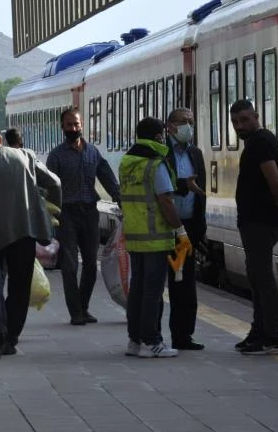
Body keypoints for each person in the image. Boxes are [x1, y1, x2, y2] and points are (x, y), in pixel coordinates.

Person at [0, 123, 61, 355]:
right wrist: (53, 210)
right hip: (24, 233)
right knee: (19, 288)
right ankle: (10, 338)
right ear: (1, 138)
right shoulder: (25, 155)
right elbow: (55, 182)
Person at [229, 98, 278, 355]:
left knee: (263, 279)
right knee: (256, 277)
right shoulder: (261, 141)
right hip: (255, 220)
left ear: (256, 116)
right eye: (235, 122)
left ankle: (271, 337)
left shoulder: (260, 142)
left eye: (244, 119)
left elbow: (275, 178)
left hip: (259, 221)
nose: (239, 125)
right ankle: (258, 331)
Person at [47, 107, 121, 325]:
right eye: (69, 125)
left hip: (89, 212)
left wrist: (120, 200)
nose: (73, 128)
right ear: (62, 128)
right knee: (70, 265)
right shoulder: (56, 156)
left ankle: (83, 306)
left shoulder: (92, 152)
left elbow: (107, 178)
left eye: (76, 124)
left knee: (90, 264)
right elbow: (49, 187)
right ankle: (75, 312)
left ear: (82, 125)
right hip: (66, 214)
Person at [119, 117, 183, 358]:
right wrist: (179, 229)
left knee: (137, 290)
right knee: (153, 293)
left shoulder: (127, 162)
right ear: (158, 136)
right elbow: (165, 200)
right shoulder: (155, 164)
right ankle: (151, 341)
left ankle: (134, 341)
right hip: (156, 236)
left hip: (135, 236)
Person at [164, 108, 207, 350]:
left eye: (191, 122)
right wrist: (184, 185)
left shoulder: (195, 153)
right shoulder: (161, 153)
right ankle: (151, 334)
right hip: (167, 226)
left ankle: (183, 336)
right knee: (161, 280)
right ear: (170, 126)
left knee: (185, 284)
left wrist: (200, 226)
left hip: (188, 228)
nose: (188, 127)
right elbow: (162, 185)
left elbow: (200, 190)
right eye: (183, 122)